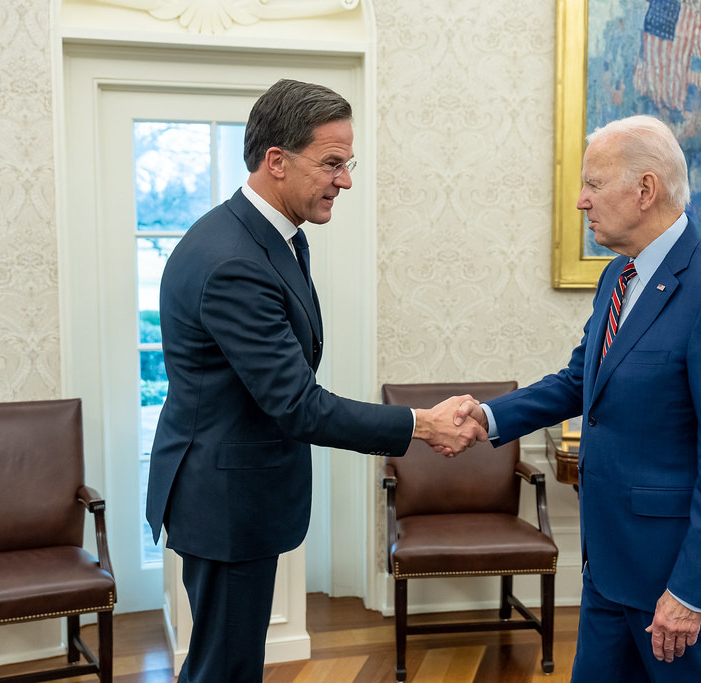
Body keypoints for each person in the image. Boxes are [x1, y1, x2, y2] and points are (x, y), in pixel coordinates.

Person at [145, 79, 486, 683]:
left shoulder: (269, 237)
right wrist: (422, 425)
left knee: (227, 664)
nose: (345, 180)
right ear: (277, 161)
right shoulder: (233, 261)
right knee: (224, 670)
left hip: (235, 492)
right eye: (332, 163)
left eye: (347, 163)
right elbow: (298, 404)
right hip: (225, 504)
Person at [455, 115, 701, 681]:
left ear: (645, 189)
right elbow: (580, 380)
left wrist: (690, 591)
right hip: (608, 566)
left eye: (593, 184)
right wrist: (487, 416)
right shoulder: (618, 278)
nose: (581, 200)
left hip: (674, 582)